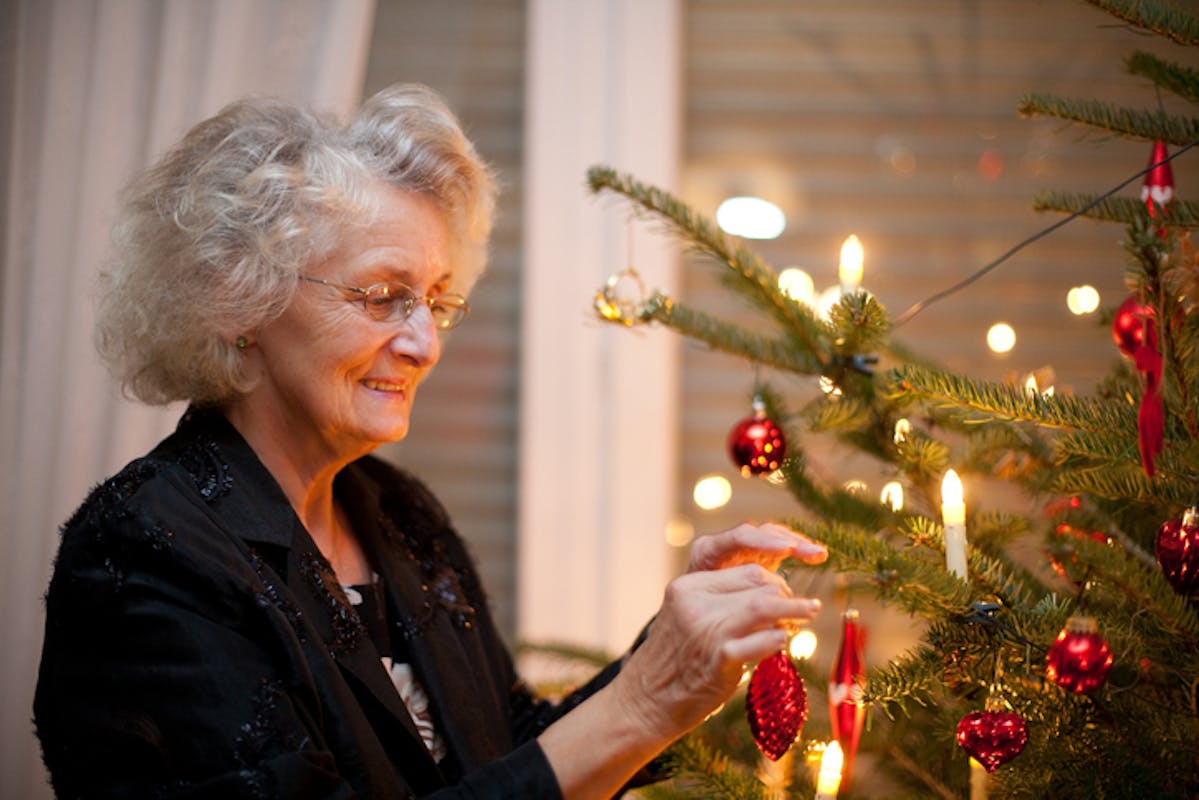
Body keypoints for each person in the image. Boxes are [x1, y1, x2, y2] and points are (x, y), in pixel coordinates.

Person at [33, 83, 827, 799]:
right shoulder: (144, 552)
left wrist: (675, 653)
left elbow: (507, 754)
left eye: (436, 302)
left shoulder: (398, 513)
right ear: (238, 302)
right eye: (382, 297)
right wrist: (644, 698)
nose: (424, 343)